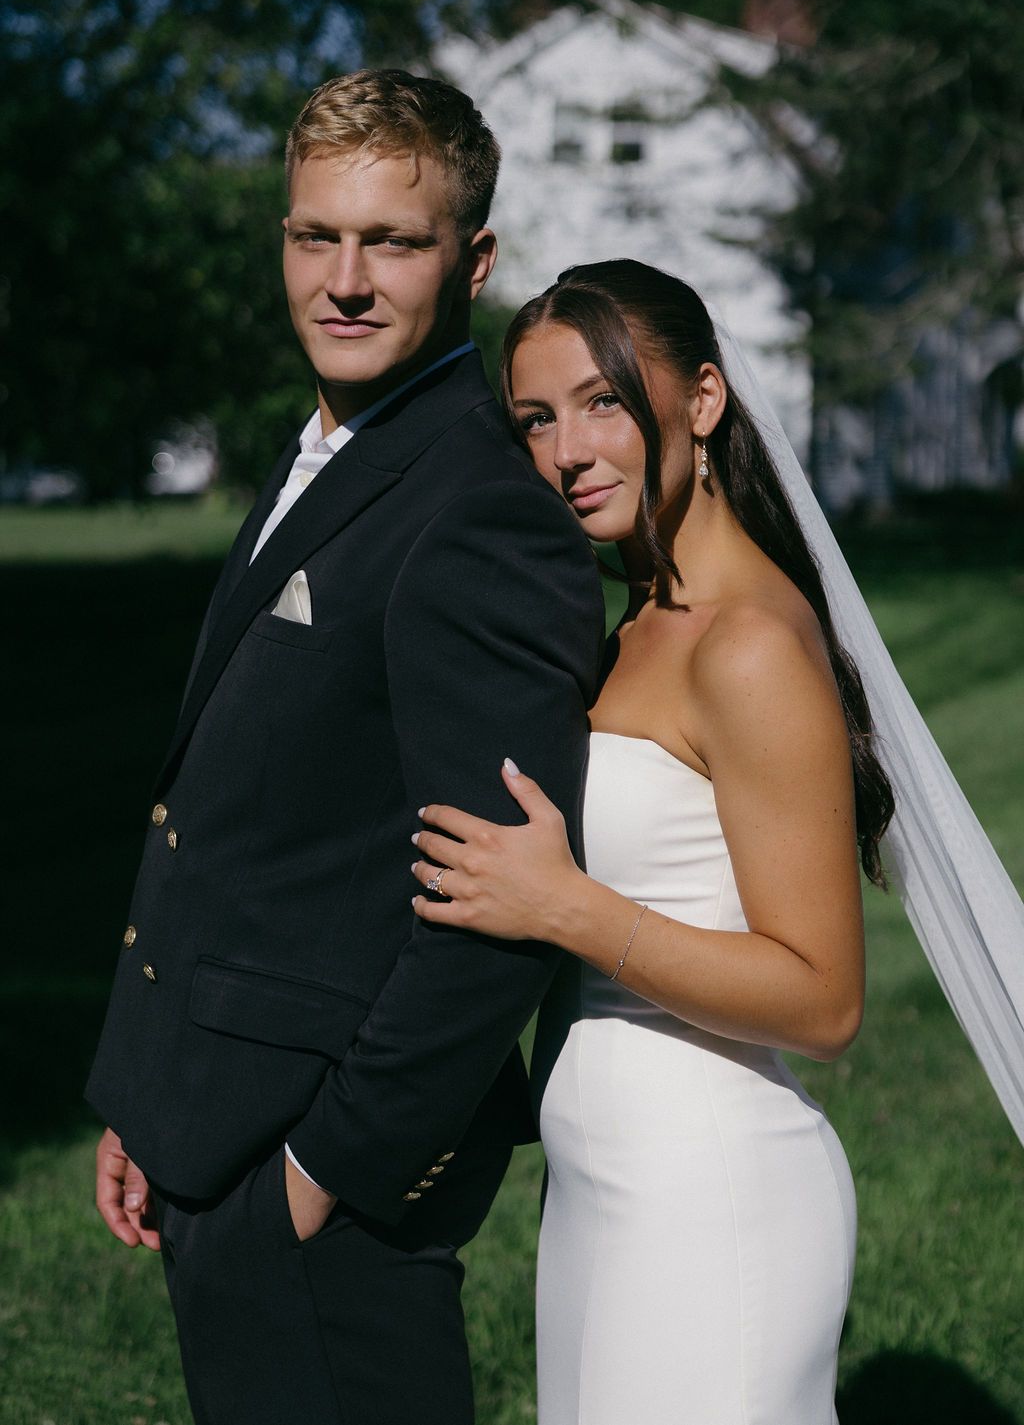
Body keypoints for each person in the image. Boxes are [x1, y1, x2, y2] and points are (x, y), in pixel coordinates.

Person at [85, 72, 605, 1425]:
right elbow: (244, 817)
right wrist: (154, 1090)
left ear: (474, 261)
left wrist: (322, 1175)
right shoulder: (324, 446)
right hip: (220, 1121)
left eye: (394, 242)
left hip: (323, 1179)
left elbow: (499, 911)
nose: (346, 281)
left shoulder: (482, 510)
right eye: (317, 236)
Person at [408, 257, 890, 1423]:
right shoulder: (633, 626)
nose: (566, 451)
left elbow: (824, 999)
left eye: (602, 402)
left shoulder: (746, 645)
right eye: (535, 418)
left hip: (710, 1198)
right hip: (598, 1190)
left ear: (703, 401)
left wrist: (567, 907)